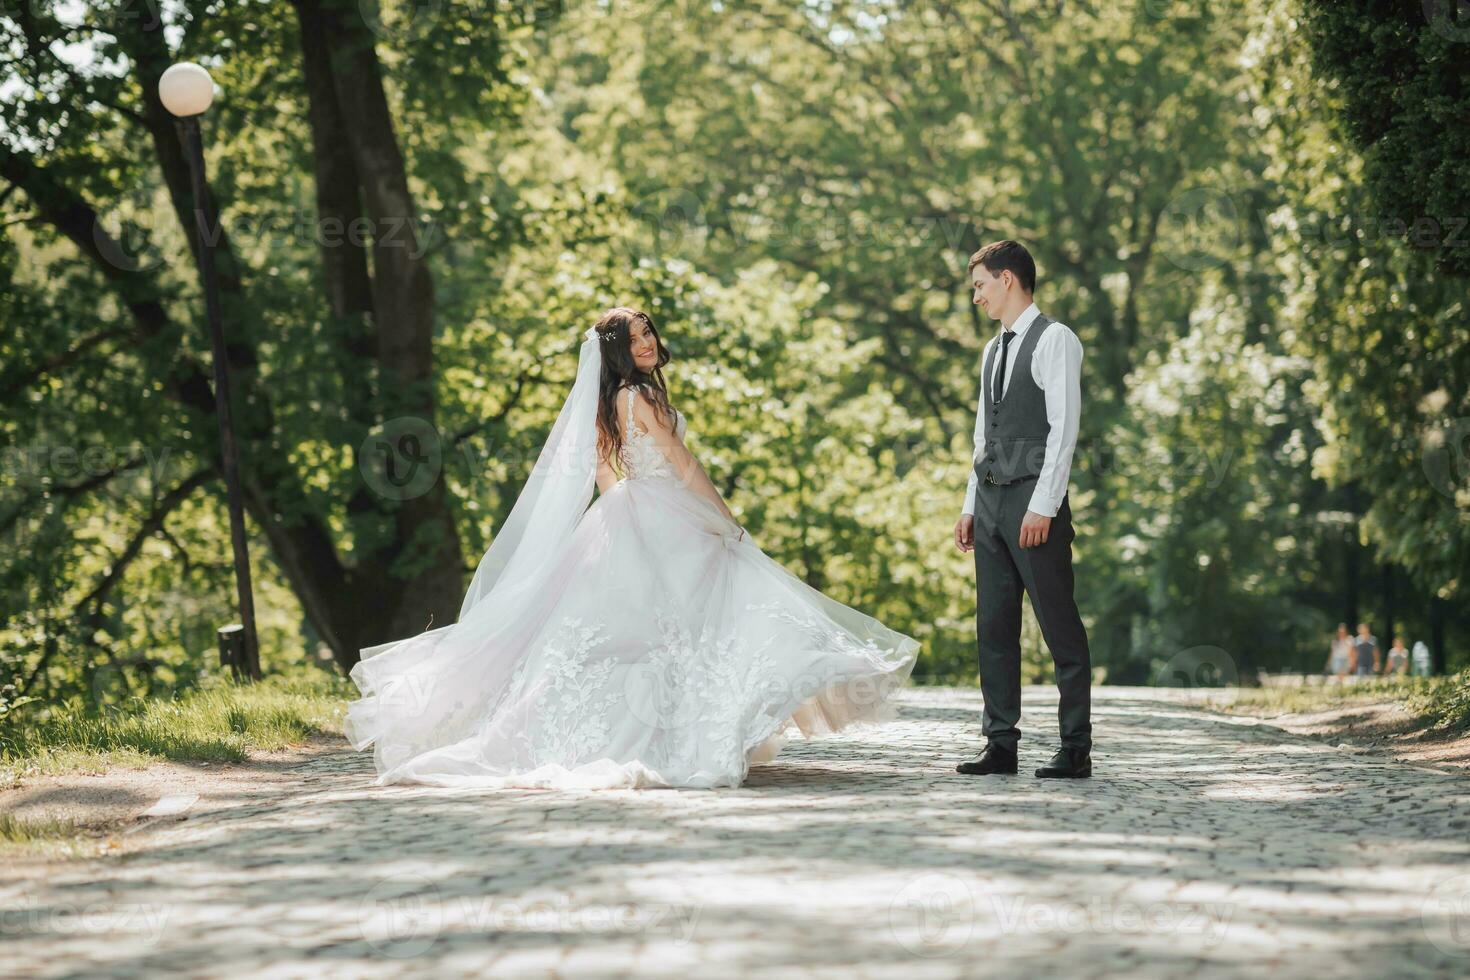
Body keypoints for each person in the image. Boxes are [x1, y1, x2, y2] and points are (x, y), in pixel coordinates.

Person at [342, 307, 920, 789]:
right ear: (616, 353)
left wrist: (626, 513)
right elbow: (682, 462)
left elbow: (603, 471)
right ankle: (685, 735)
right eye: (633, 338)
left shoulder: (611, 399)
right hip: (661, 510)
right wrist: (723, 519)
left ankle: (687, 728)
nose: (646, 343)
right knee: (696, 613)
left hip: (641, 510)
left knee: (664, 627)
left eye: (648, 332)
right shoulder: (637, 394)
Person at [952, 240, 1092, 780]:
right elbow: (982, 435)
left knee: (1059, 625)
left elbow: (1064, 428)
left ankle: (1075, 747)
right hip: (989, 501)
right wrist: (970, 504)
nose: (977, 298)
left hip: (1035, 501)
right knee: (994, 625)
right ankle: (1000, 744)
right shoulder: (992, 350)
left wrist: (1044, 505)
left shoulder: (1056, 339)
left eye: (981, 286)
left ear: (1007, 279)